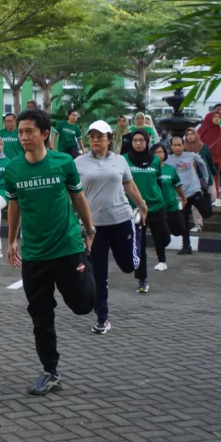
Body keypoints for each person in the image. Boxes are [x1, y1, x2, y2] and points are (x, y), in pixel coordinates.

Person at [3, 109, 96, 396]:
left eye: (29, 131)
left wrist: (89, 230)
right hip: (34, 255)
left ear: (44, 134)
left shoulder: (63, 162)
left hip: (68, 248)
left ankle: (89, 268)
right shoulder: (14, 169)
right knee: (40, 314)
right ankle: (50, 371)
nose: (23, 136)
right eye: (20, 132)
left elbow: (77, 196)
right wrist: (12, 240)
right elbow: (14, 205)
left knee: (82, 306)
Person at [74, 120, 147, 335]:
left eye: (100, 136)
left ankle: (138, 234)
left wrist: (142, 206)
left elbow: (130, 186)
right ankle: (102, 317)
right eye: (92, 136)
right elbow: (71, 193)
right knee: (99, 274)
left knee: (129, 266)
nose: (96, 140)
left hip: (121, 220)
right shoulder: (78, 163)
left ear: (109, 139)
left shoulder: (120, 161)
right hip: (94, 227)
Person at [124, 130, 170, 290]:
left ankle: (162, 259)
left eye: (141, 140)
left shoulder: (155, 161)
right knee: (140, 245)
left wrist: (164, 201)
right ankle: (142, 280)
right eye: (135, 140)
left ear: (147, 141)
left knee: (164, 238)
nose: (138, 143)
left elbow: (159, 183)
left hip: (156, 206)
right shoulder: (124, 160)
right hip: (135, 210)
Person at [167, 135, 211, 255]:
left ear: (184, 145)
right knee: (183, 222)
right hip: (181, 196)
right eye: (175, 145)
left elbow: (202, 164)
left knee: (207, 212)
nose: (177, 148)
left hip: (194, 190)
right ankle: (186, 246)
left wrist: (205, 179)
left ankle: (206, 203)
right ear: (171, 147)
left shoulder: (191, 155)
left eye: (179, 145)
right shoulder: (168, 159)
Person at [153, 143, 188, 249]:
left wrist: (183, 198)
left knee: (179, 229)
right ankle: (161, 259)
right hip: (156, 207)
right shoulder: (149, 170)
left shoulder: (170, 169)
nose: (158, 155)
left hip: (171, 205)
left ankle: (186, 245)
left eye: (160, 152)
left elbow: (178, 186)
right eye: (155, 153)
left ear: (165, 154)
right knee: (161, 236)